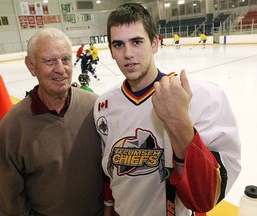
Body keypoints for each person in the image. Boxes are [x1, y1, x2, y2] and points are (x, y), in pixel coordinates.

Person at [93, 3, 241, 216]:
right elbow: (110, 170)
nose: (127, 53)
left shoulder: (202, 97)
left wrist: (179, 122)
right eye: (118, 45)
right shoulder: (103, 105)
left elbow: (206, 197)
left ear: (154, 43)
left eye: (136, 42)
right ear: (111, 51)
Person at [0, 28, 106, 216]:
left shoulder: (95, 107)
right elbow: (11, 202)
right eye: (49, 61)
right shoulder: (12, 127)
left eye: (65, 59)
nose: (60, 69)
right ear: (31, 66)